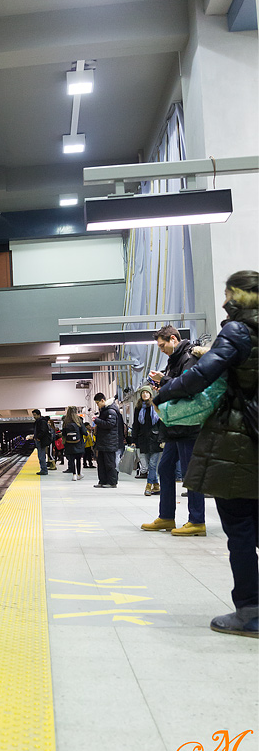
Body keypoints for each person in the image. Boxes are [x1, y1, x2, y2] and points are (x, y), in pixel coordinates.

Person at [153, 270, 257, 637]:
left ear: (236, 295)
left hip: (241, 434)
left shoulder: (238, 330)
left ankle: (250, 611)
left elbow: (205, 373)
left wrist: (166, 392)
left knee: (241, 524)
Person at [142, 325, 209, 535]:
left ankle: (197, 521)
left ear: (173, 338)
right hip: (176, 426)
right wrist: (162, 386)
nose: (161, 349)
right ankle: (166, 517)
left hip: (189, 425)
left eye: (162, 345)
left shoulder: (190, 358)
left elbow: (189, 387)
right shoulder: (175, 360)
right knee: (165, 468)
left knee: (190, 472)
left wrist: (165, 381)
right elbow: (177, 386)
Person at [131, 386, 163, 496]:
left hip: (155, 439)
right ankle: (156, 485)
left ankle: (148, 486)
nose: (145, 394)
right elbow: (135, 425)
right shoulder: (138, 408)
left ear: (150, 394)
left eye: (147, 392)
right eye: (143, 393)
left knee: (153, 464)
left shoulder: (155, 406)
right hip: (143, 439)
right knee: (149, 464)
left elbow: (161, 424)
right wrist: (134, 440)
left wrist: (163, 438)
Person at [92, 393, 123, 488]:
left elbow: (110, 424)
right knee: (101, 463)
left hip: (110, 442)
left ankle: (112, 482)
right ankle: (103, 481)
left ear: (102, 400)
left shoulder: (111, 411)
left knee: (109, 463)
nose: (97, 405)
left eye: (97, 403)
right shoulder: (104, 410)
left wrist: (97, 421)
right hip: (103, 441)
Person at [61, 406, 85, 481]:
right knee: (78, 459)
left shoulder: (65, 422)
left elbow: (64, 434)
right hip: (78, 443)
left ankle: (74, 474)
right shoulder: (78, 421)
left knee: (71, 460)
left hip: (69, 444)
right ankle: (79, 474)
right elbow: (84, 432)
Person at [32, 409, 54, 475]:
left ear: (39, 414)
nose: (34, 416)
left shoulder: (41, 422)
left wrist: (38, 437)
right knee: (41, 455)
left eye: (35, 415)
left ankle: (44, 470)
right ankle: (43, 469)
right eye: (33, 415)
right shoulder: (39, 421)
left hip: (41, 441)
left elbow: (43, 431)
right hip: (40, 440)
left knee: (41, 456)